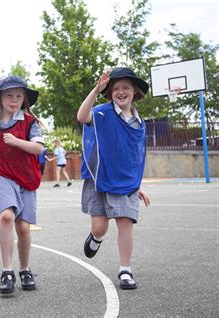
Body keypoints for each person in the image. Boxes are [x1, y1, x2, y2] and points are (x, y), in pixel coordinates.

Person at [77, 68, 151, 290]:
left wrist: (138, 185)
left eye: (126, 87)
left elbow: (135, 156)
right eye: (116, 88)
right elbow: (82, 116)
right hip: (99, 176)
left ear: (135, 91)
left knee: (125, 223)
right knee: (100, 227)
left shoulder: (139, 123)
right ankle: (96, 238)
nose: (121, 92)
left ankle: (125, 270)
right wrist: (96, 89)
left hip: (126, 181)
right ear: (109, 93)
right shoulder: (101, 113)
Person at [0, 76, 45, 294]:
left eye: (18, 95)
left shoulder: (29, 122)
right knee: (7, 216)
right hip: (1, 175)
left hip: (26, 177)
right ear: (0, 98)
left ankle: (25, 269)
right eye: (9, 95)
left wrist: (16, 142)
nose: (14, 99)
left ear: (24, 99)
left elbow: (38, 149)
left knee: (23, 228)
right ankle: (7, 271)